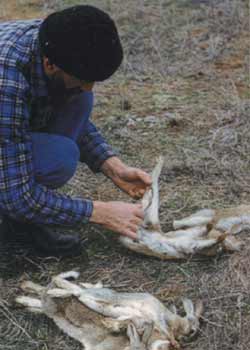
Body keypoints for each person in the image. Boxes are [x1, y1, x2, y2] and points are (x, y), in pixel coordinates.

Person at [0, 5, 152, 257]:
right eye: (84, 80)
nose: (90, 87)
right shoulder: (6, 81)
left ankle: (21, 220)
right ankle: (15, 219)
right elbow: (17, 194)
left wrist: (112, 167)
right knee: (57, 159)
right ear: (50, 65)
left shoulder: (56, 41)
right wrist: (100, 212)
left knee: (80, 99)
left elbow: (51, 109)